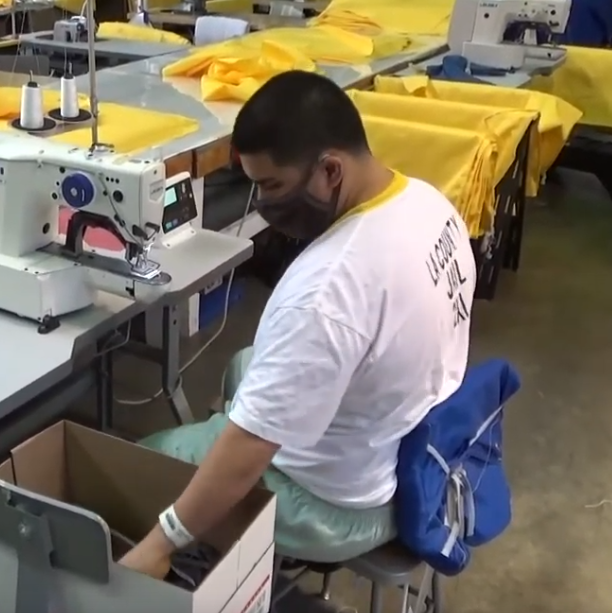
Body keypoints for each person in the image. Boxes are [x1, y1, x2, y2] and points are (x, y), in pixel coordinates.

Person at [120, 70, 477, 578]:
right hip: (415, 442)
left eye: (272, 186)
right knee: (246, 367)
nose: (264, 204)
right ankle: (225, 491)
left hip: (343, 506)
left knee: (142, 460)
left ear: (330, 170)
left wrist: (162, 542)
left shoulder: (328, 289)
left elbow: (249, 449)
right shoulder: (427, 202)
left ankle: (213, 550)